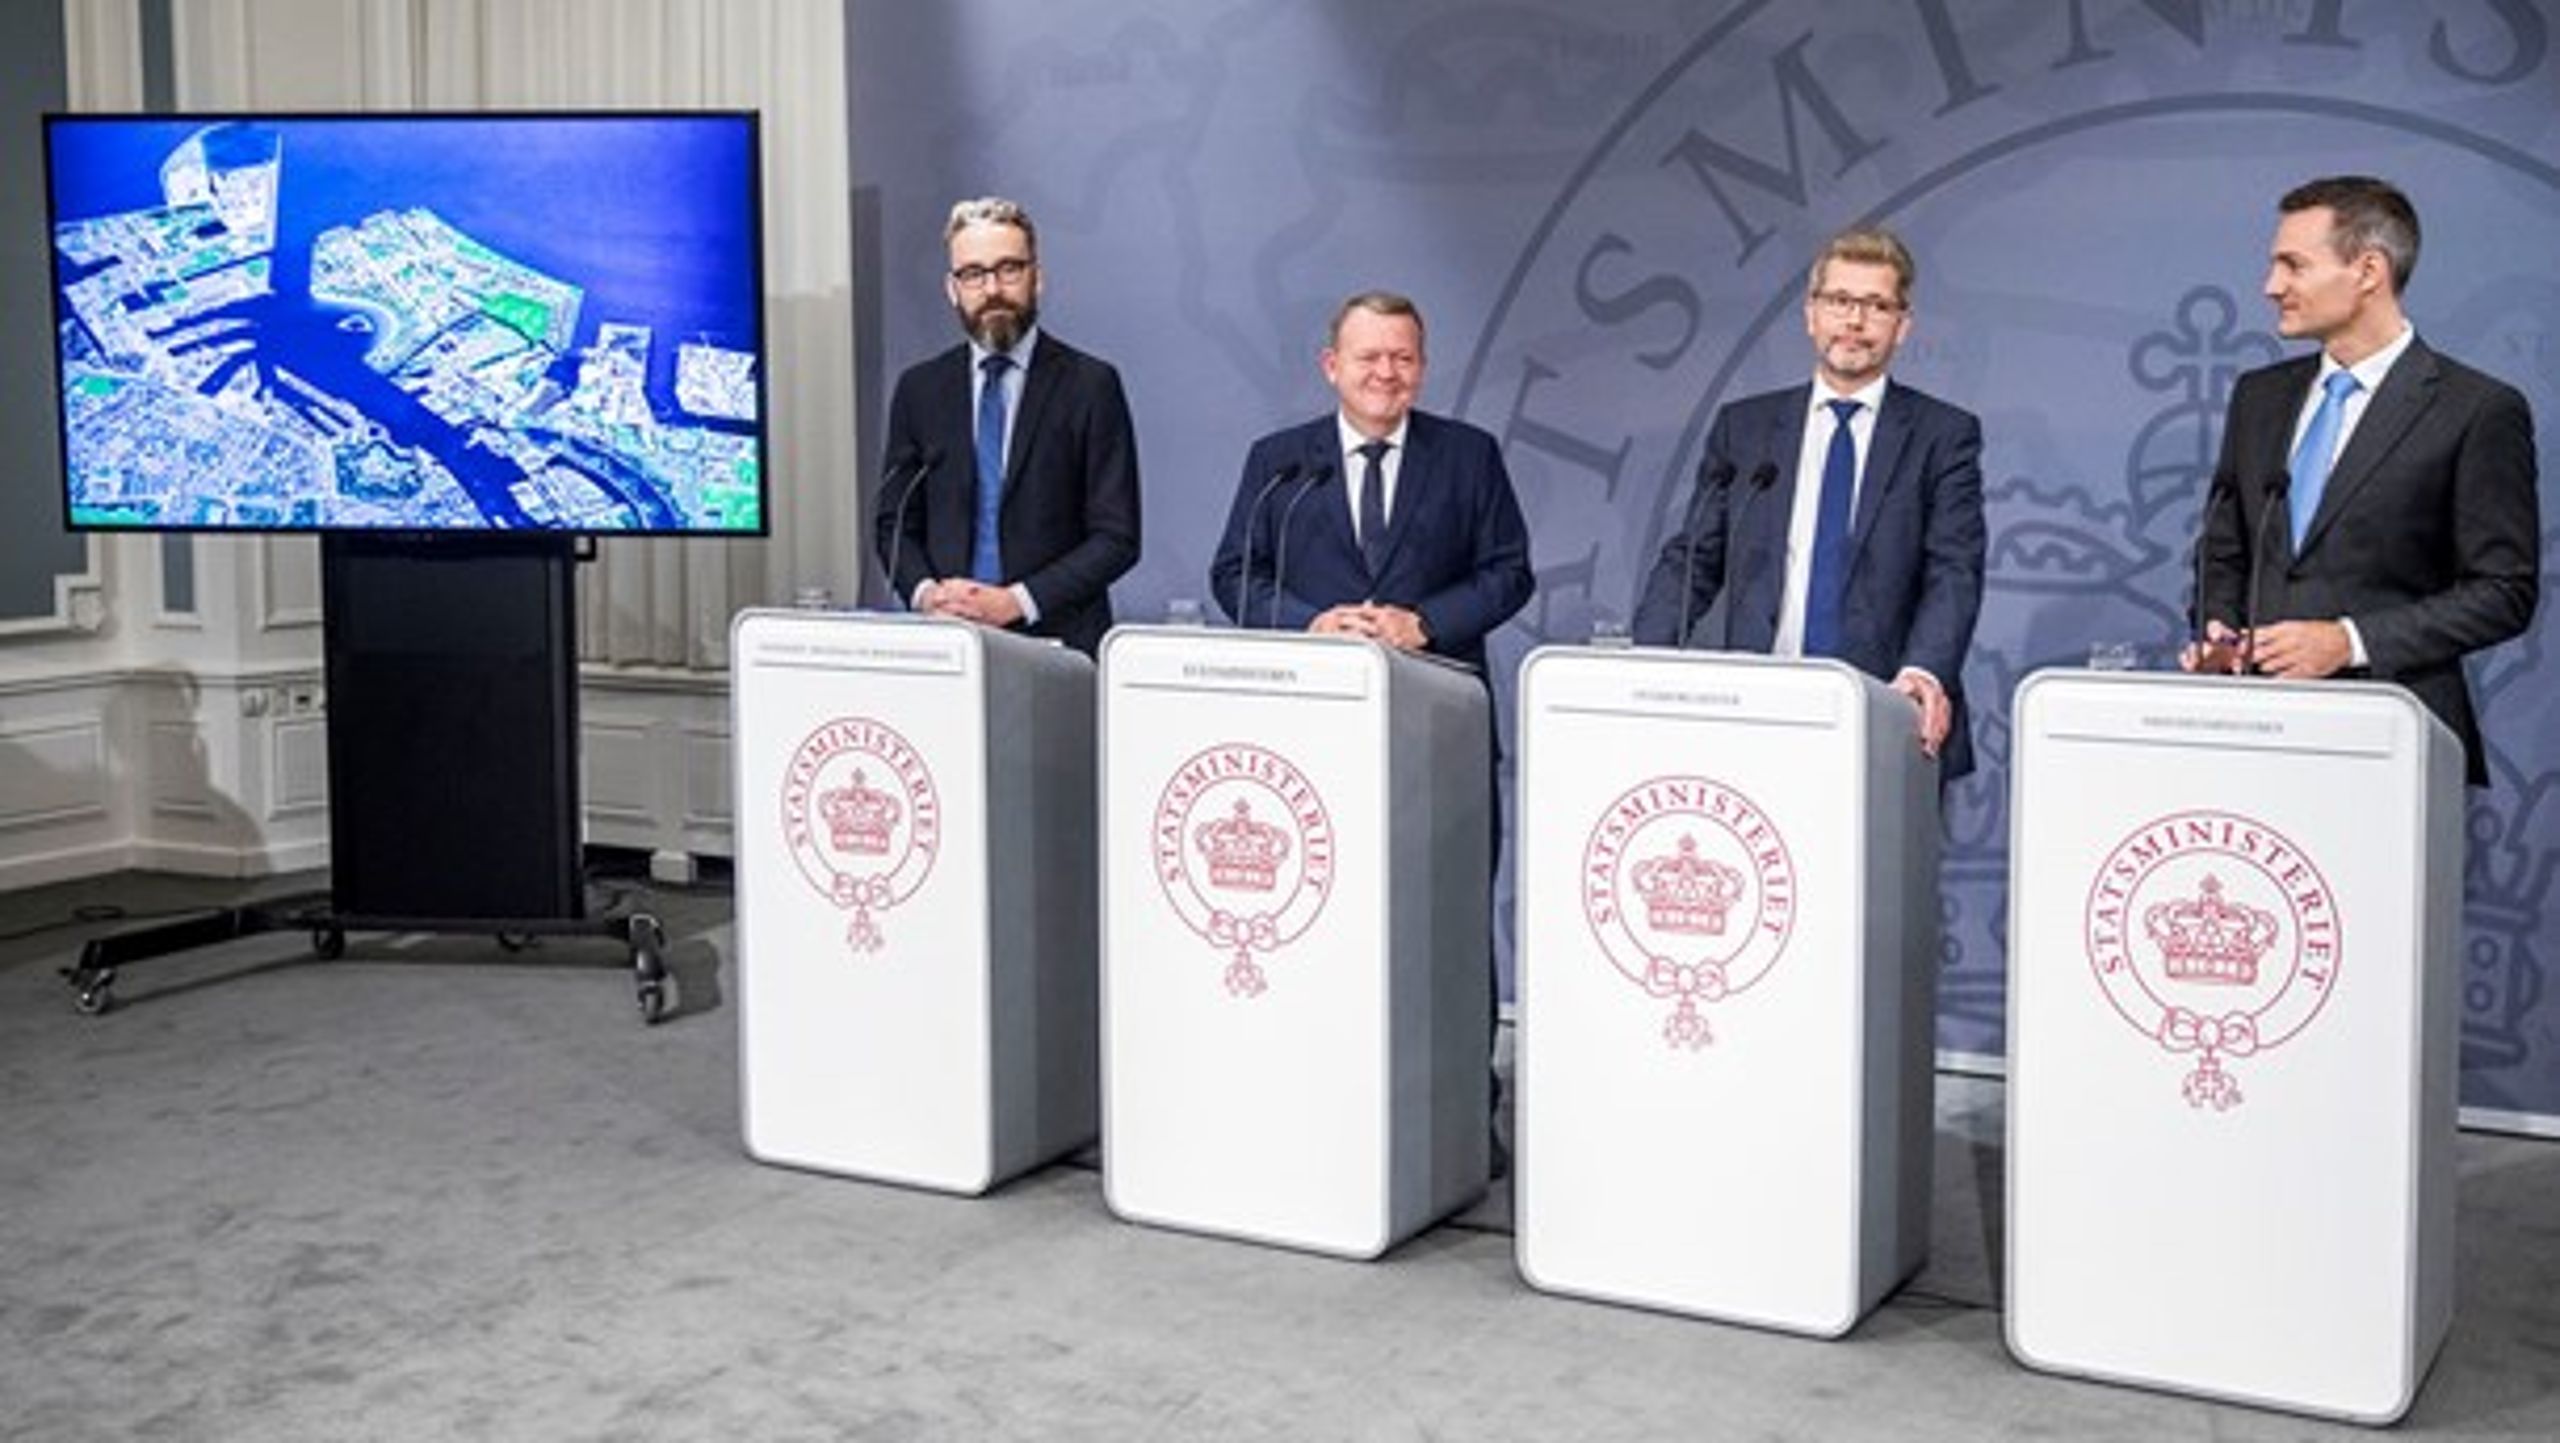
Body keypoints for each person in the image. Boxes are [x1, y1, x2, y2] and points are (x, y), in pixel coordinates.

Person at [2183, 176, 2539, 786]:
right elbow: (2225, 548)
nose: (2272, 287)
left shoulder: (2475, 408)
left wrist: (2348, 642)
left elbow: (2503, 591)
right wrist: (2221, 634)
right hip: (2254, 740)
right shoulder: (2260, 398)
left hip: (2393, 747)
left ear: (2368, 270)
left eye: (2292, 265)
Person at [1630, 226, 1988, 780]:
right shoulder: (1745, 429)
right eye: (1840, 300)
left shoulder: (1942, 435)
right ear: (1810, 314)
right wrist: (1643, 660)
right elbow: (1694, 555)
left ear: (1903, 326)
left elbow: (1954, 569)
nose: (1855, 320)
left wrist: (1925, 672)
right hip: (1758, 715)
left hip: (1885, 715)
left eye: (1876, 305)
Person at [1208, 291, 1534, 674]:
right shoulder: (1279, 460)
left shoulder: (1469, 455)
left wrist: (1425, 623)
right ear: (1332, 366)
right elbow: (1236, 575)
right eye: (1368, 357)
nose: (1386, 373)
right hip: (1314, 689)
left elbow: (1509, 573)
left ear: (1422, 369)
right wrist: (1311, 625)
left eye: (1403, 359)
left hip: (1438, 695)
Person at [874, 197, 1141, 657]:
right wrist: (927, 596)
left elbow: (1116, 537)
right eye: (973, 274)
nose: (992, 288)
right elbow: (893, 524)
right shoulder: (921, 389)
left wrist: (1014, 602)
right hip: (946, 646)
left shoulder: (1090, 385)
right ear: (952, 288)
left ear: (1037, 278)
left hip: (1058, 646)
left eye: (1009, 269)